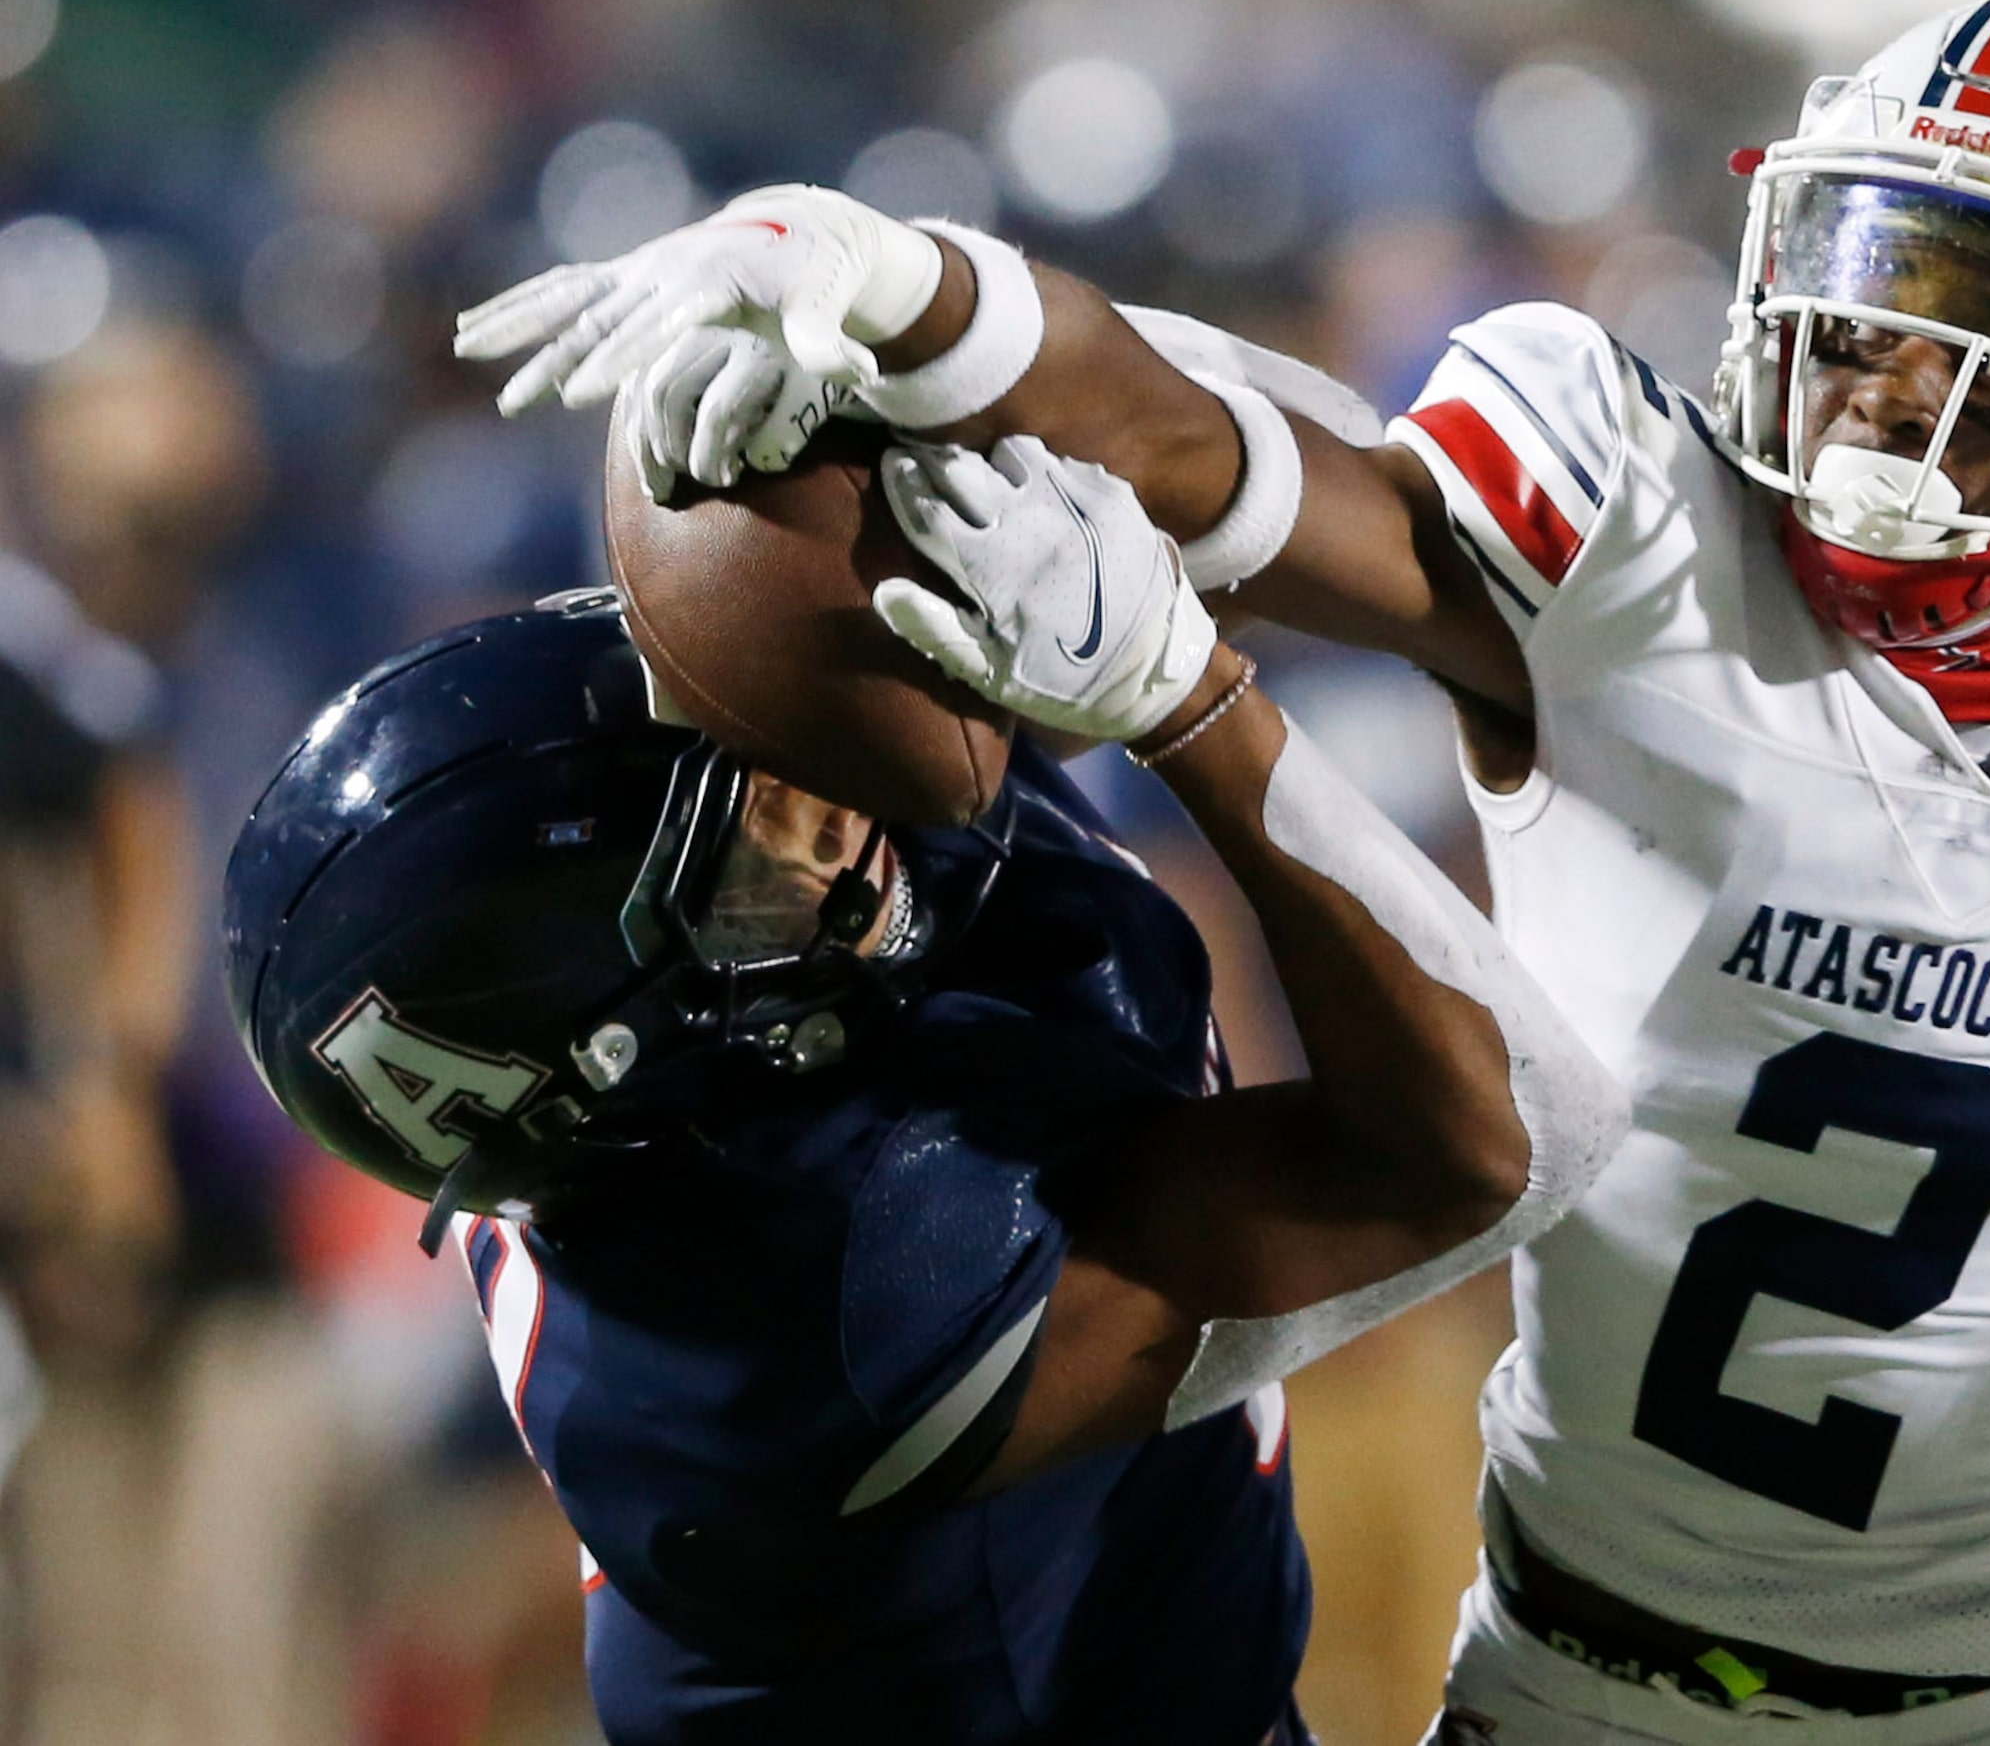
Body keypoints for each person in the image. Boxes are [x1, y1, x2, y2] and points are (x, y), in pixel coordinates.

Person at [459, 0, 1990, 1744]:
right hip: (1584, 1684)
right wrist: (924, 297)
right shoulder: (1631, 549)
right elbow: (1210, 455)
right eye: (1876, 298)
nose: (1897, 395)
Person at [222, 464, 1627, 1744]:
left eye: (743, 755)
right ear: (616, 1057)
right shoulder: (837, 1304)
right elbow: (1494, 1141)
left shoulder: (691, 1073)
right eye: (737, 849)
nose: (818, 802)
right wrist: (1189, 701)